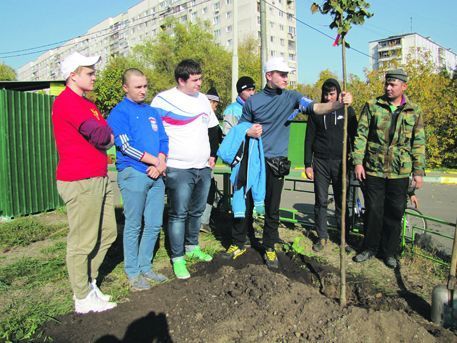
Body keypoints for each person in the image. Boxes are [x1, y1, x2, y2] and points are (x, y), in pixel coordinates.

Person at [222, 57, 353, 268]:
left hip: (276, 162)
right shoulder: (253, 101)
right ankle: (238, 242)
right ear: (268, 75)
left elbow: (317, 108)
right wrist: (247, 130)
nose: (286, 78)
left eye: (287, 74)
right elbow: (240, 129)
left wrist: (339, 104)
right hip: (253, 161)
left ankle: (269, 247)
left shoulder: (293, 97)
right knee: (244, 204)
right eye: (281, 74)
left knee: (272, 208)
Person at [52, 52, 117, 313]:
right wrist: (108, 136)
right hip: (80, 179)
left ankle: (89, 284)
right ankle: (81, 297)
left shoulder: (88, 103)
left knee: (109, 233)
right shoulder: (66, 101)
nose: (94, 76)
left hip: (98, 175)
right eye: (89, 72)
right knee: (82, 241)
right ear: (73, 75)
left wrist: (107, 136)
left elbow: (104, 134)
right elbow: (102, 135)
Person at [151, 59, 218, 279]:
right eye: (195, 80)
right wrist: (159, 161)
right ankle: (178, 258)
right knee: (178, 213)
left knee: (197, 211)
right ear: (181, 80)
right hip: (178, 168)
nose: (200, 83)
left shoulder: (202, 101)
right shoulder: (163, 100)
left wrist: (212, 155)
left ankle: (192, 247)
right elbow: (153, 134)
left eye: (200, 78)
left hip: (203, 167)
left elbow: (212, 129)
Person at [352, 68, 426, 269]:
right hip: (374, 168)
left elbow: (418, 143)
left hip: (399, 170)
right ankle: (369, 248)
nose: (388, 87)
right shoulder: (372, 106)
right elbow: (361, 136)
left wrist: (418, 172)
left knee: (395, 212)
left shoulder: (413, 110)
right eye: (387, 84)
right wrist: (358, 161)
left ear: (404, 86)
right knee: (374, 210)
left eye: (393, 84)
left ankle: (389, 252)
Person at [107, 68, 169, 290]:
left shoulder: (152, 111)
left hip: (156, 173)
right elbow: (125, 146)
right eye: (138, 87)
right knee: (133, 225)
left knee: (154, 224)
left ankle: (146, 266)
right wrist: (154, 162)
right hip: (133, 173)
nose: (143, 91)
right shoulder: (118, 113)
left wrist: (160, 162)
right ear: (125, 88)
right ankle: (132, 273)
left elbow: (163, 139)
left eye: (145, 86)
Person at [304, 78, 357, 252]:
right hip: (320, 162)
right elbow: (309, 138)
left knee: (342, 201)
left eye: (332, 93)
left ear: (339, 93)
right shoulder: (317, 112)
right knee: (321, 200)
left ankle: (344, 239)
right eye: (326, 94)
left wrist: (356, 161)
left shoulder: (347, 110)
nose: (328, 97)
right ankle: (322, 236)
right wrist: (307, 164)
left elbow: (356, 136)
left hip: (341, 162)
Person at [200, 87, 222, 233]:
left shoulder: (213, 121)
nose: (215, 107)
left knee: (208, 189)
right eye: (214, 104)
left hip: (208, 162)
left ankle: (203, 221)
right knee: (204, 191)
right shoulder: (200, 118)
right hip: (202, 162)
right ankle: (202, 221)